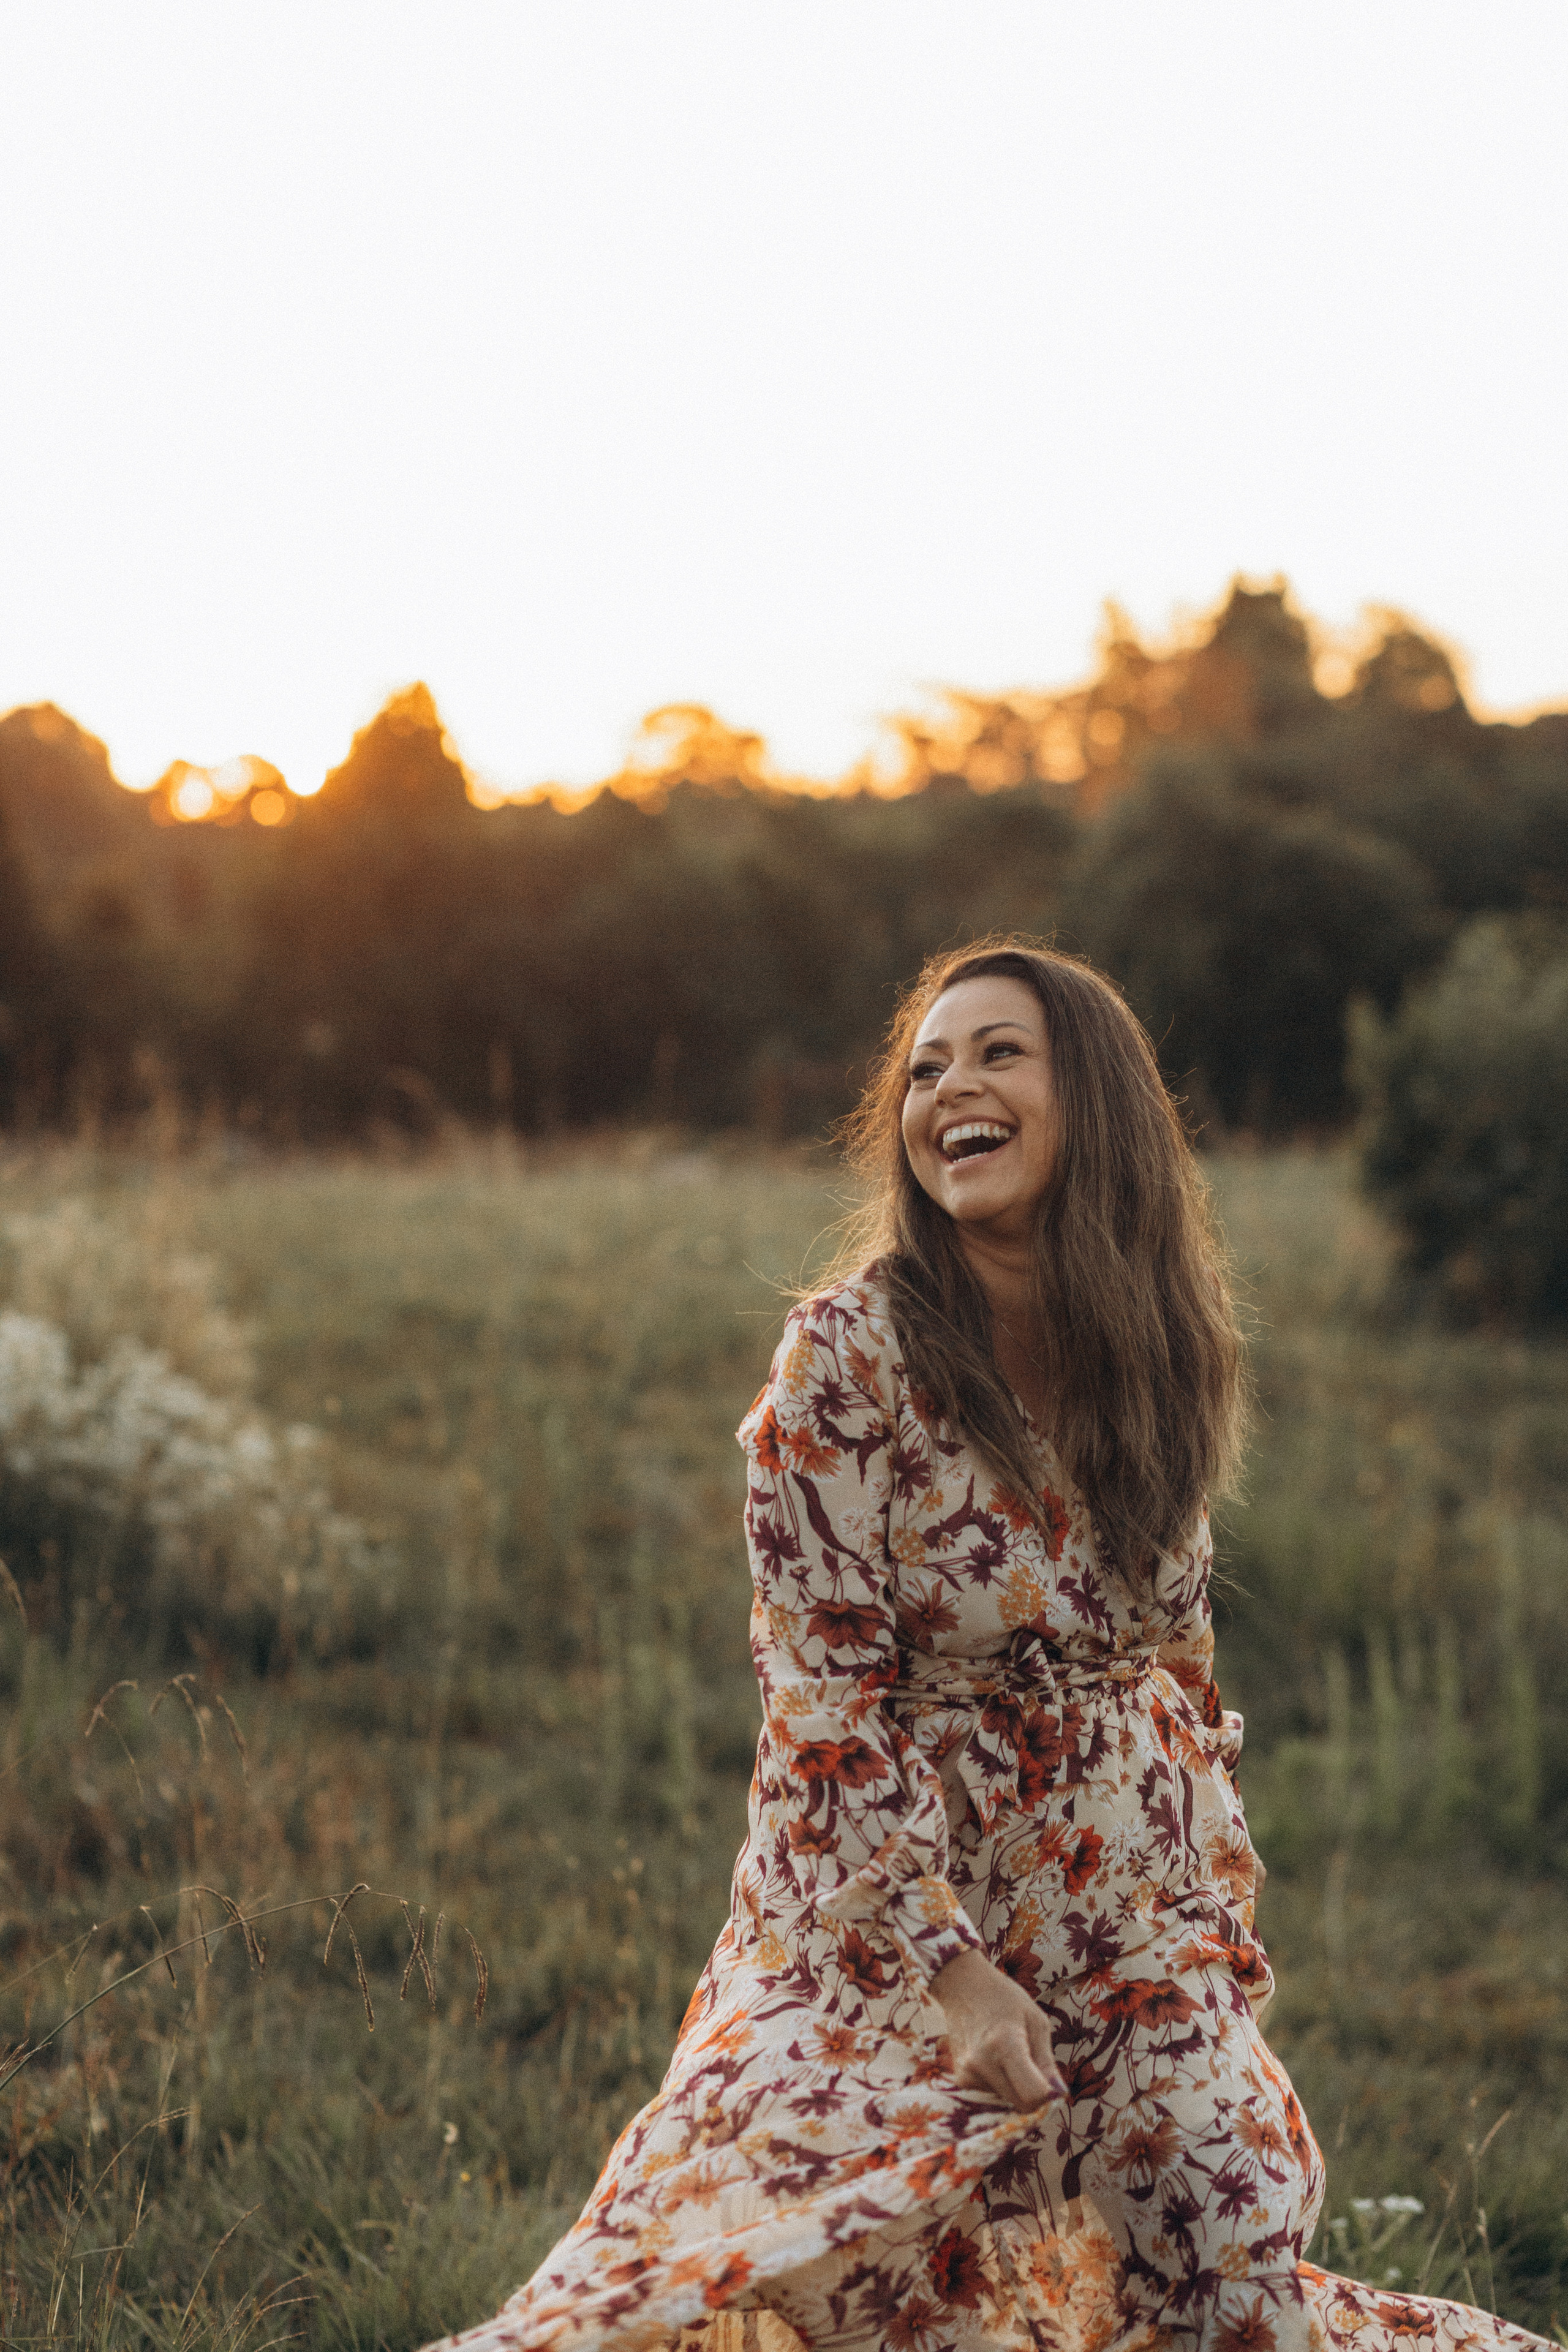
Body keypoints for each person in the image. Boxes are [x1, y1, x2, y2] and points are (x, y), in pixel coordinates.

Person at [431, 941, 1548, 2352]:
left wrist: (1203, 1923)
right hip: (877, 1916)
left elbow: (1175, 1661)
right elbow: (820, 1700)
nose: (950, 1085)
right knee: (813, 2259)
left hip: (1120, 1912)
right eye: (925, 1067)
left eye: (997, 1052)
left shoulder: (1153, 1343)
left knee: (1226, 2263)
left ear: (1093, 1098)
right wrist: (951, 1972)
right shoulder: (844, 1356)